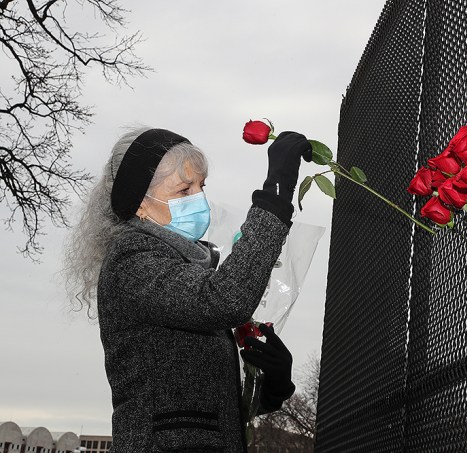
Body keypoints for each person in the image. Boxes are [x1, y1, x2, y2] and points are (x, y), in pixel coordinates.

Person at [62, 127, 312, 452]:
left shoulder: (187, 264)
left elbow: (210, 409)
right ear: (140, 203)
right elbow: (226, 299)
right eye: (184, 190)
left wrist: (272, 387)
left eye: (201, 186)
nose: (199, 199)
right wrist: (275, 195)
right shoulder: (132, 259)